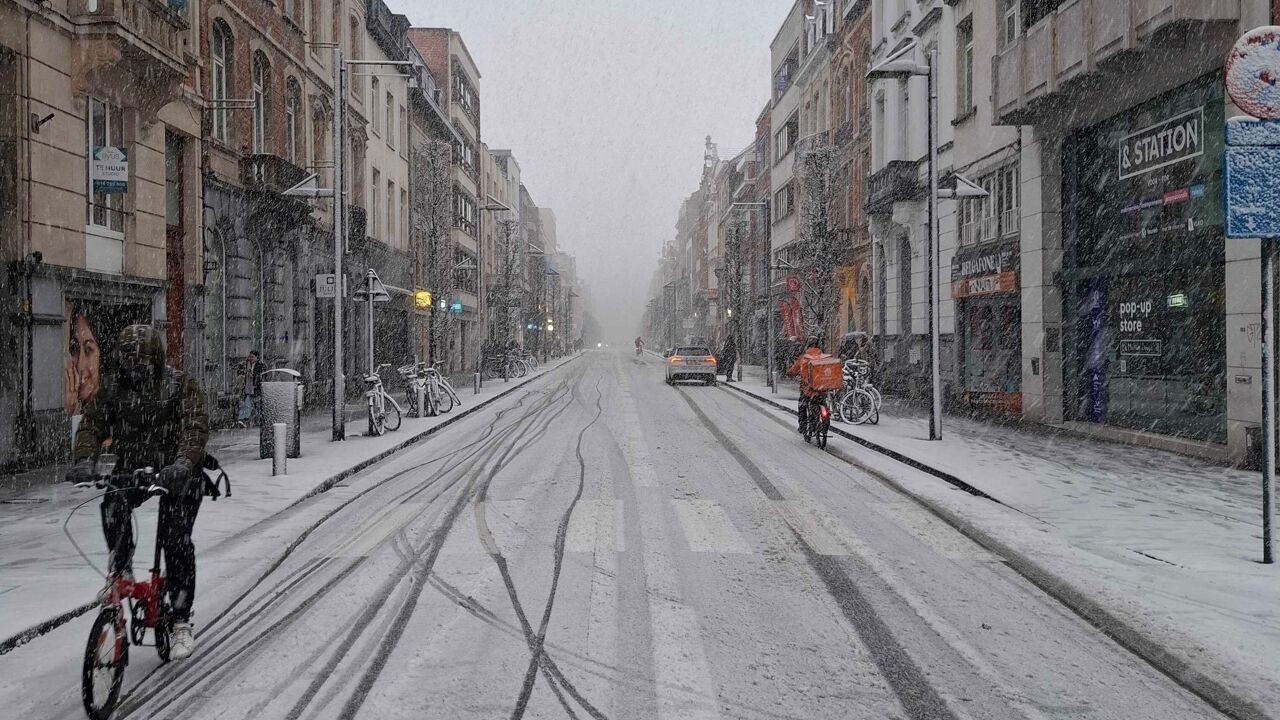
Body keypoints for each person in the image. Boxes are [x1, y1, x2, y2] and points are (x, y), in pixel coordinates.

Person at [67, 324, 209, 660]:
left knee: (176, 537)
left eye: (138, 359)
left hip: (179, 472)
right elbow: (92, 423)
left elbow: (194, 426)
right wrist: (84, 459)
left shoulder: (179, 385)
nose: (132, 366)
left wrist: (182, 464)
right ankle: (121, 569)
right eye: (127, 359)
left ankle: (180, 620)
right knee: (113, 504)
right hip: (135, 469)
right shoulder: (114, 389)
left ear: (153, 357)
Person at [787, 340, 830, 434]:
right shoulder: (824, 358)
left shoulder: (803, 358)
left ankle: (803, 426)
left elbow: (794, 370)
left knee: (802, 406)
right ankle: (825, 421)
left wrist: (789, 373)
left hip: (807, 390)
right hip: (822, 389)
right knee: (822, 402)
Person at [236, 350, 262, 427]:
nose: (250, 358)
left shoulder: (260, 365)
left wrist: (253, 376)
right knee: (247, 405)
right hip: (248, 389)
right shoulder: (246, 364)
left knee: (258, 405)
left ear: (257, 357)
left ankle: (259, 420)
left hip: (256, 388)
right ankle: (242, 420)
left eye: (252, 357)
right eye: (249, 356)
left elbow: (261, 376)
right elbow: (240, 372)